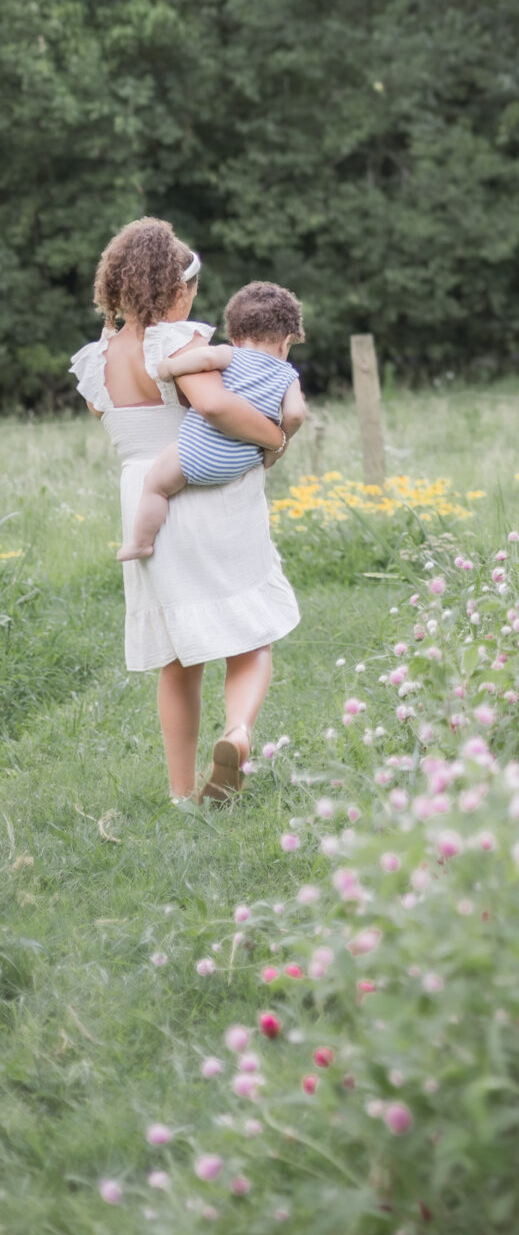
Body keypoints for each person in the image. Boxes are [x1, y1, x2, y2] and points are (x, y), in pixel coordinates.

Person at [70, 218, 301, 804]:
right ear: (173, 290)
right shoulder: (179, 341)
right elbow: (216, 406)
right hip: (206, 490)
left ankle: (180, 797)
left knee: (178, 657)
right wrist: (274, 439)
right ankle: (240, 732)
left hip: (143, 495)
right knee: (249, 636)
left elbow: (120, 425)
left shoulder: (97, 359)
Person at [117, 282, 307, 564]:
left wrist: (169, 368)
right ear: (286, 341)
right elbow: (295, 414)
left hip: (197, 453)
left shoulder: (231, 354)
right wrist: (280, 441)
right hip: (242, 461)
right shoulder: (288, 375)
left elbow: (205, 358)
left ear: (236, 337)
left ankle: (141, 543)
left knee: (155, 485)